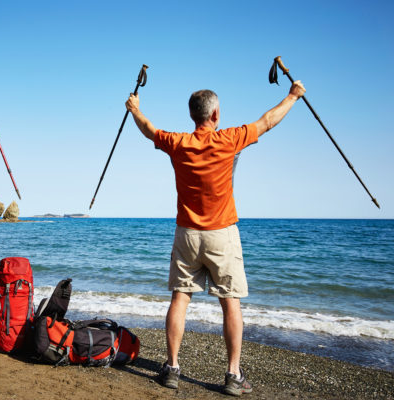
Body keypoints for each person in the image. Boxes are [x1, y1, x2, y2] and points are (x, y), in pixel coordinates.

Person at [125, 80, 306, 396]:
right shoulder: (230, 139)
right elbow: (268, 121)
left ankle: (172, 368)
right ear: (216, 114)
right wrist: (292, 96)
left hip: (188, 234)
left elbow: (148, 130)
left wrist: (134, 109)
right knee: (230, 303)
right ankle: (232, 375)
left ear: (193, 115)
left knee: (181, 298)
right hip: (222, 234)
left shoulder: (179, 142)